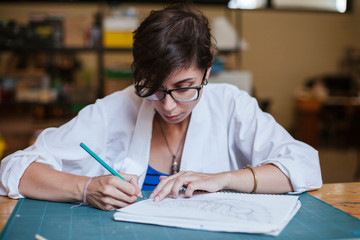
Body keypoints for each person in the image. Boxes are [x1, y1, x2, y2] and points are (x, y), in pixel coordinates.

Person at [0, 3, 322, 211]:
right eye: (153, 88)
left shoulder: (232, 106)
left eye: (183, 89)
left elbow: (305, 166)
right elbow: (14, 169)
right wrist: (85, 188)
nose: (168, 106)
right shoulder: (115, 109)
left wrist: (223, 178)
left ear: (207, 72)